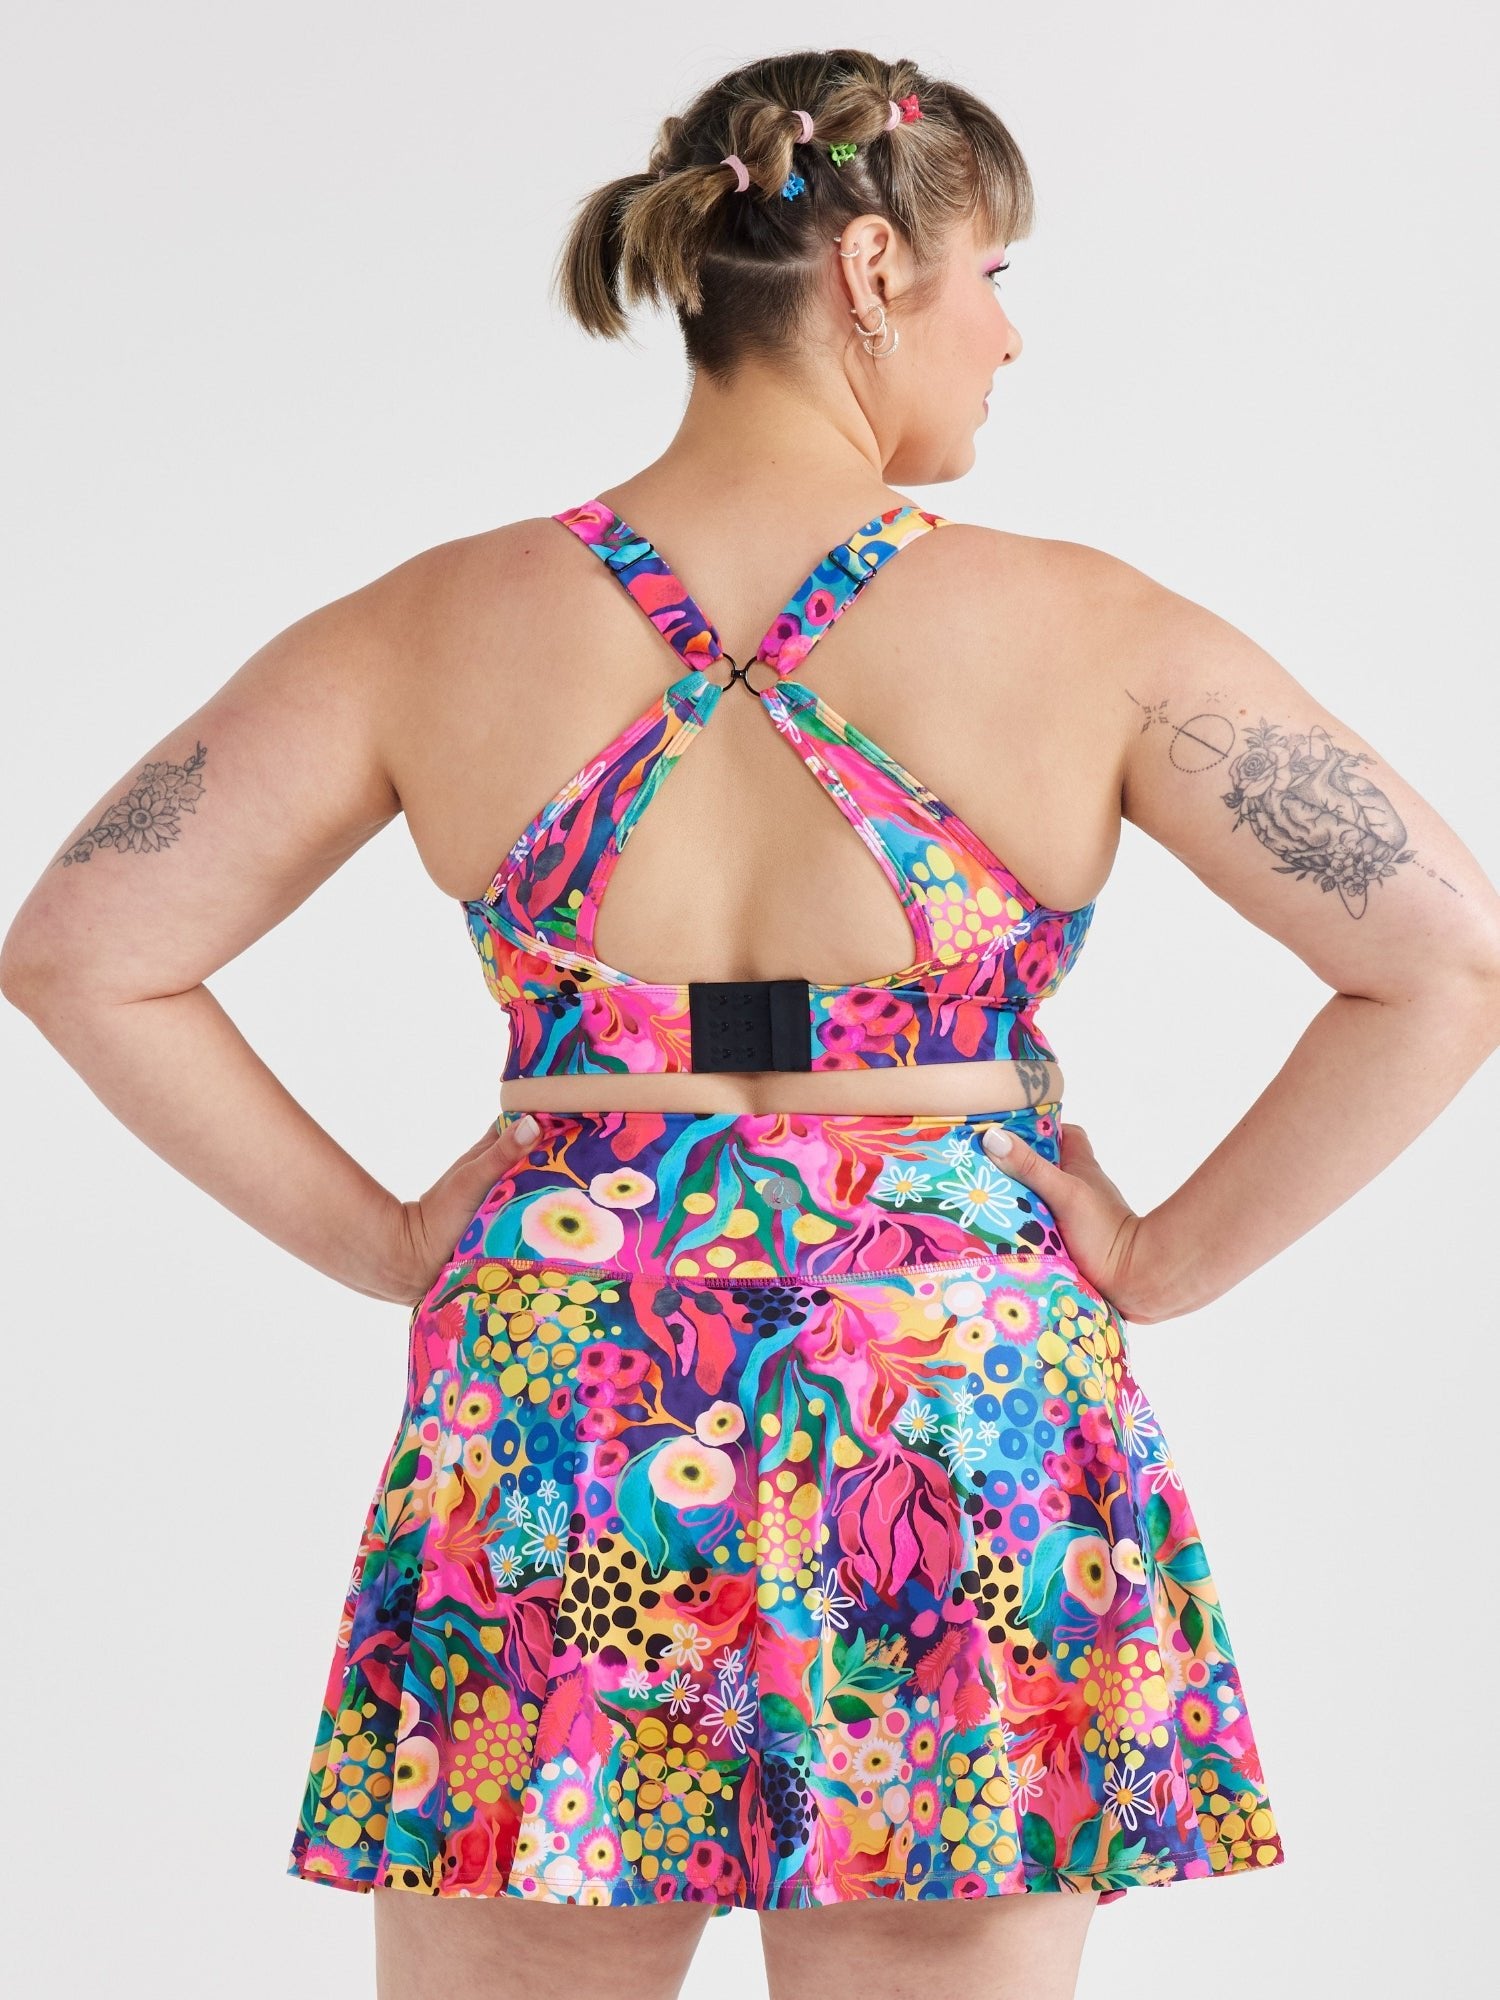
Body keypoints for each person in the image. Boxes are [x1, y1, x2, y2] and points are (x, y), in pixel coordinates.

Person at [4, 44, 1497, 2000]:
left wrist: (384, 1239)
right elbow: (1448, 958)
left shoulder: (433, 622)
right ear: (875, 268)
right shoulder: (1095, 631)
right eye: (995, 276)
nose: (1011, 336)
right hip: (949, 1403)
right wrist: (1160, 1260)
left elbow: (84, 946)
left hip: (562, 1389)